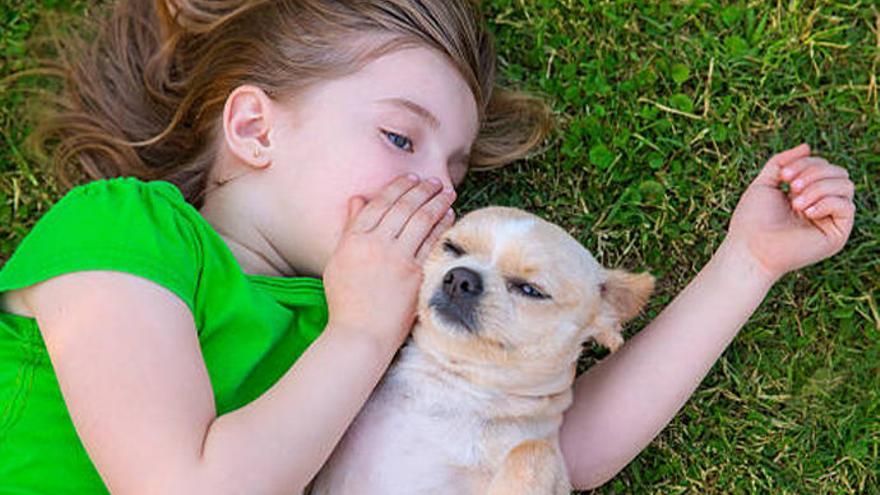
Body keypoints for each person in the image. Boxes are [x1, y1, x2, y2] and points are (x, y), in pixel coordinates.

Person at [0, 0, 855, 493]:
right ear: (256, 127)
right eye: (401, 139)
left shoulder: (378, 309)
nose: (440, 192)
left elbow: (565, 441)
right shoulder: (123, 229)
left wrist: (748, 262)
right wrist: (359, 333)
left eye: (454, 171)